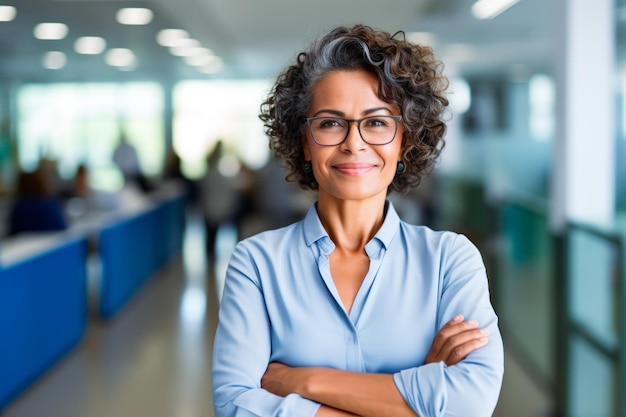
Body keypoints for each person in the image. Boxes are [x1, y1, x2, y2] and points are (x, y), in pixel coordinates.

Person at [212, 24, 504, 417]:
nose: (354, 142)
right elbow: (234, 406)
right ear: (304, 141)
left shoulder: (450, 261)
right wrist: (418, 393)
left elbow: (470, 404)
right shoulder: (256, 263)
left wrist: (302, 382)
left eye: (377, 122)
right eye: (331, 123)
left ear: (406, 141)